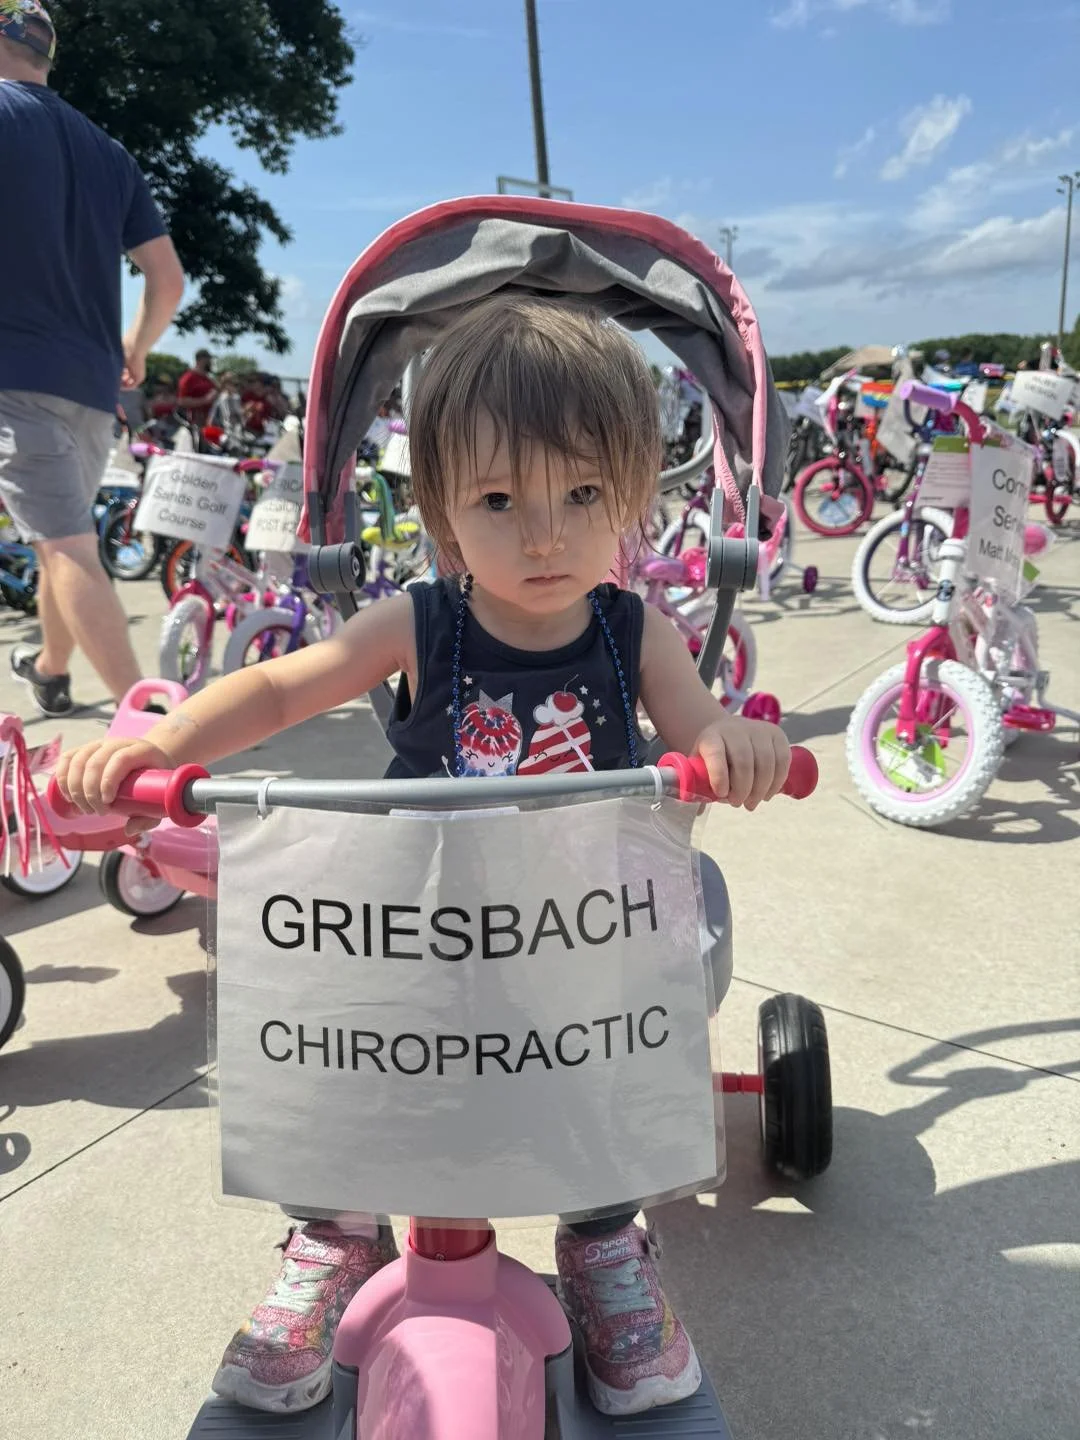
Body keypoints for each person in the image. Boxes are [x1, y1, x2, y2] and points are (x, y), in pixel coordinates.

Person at [56, 295, 792, 1419]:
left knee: (604, 1070)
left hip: (577, 933)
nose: (543, 535)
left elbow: (696, 726)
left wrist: (731, 743)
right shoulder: (420, 622)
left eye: (583, 494)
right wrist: (163, 742)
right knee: (333, 1047)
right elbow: (278, 685)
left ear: (636, 496)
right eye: (500, 500)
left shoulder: (631, 632)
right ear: (443, 510)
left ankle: (601, 1243)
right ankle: (336, 1232)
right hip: (421, 926)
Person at [0, 1, 185, 716]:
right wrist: (132, 350)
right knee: (61, 534)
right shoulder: (108, 151)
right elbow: (166, 279)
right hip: (89, 383)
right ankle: (50, 667)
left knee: (69, 546)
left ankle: (154, 728)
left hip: (14, 372)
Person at [177, 349, 218, 418]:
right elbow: (182, 401)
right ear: (201, 360)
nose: (211, 362)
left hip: (210, 419)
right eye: (209, 359)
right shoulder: (188, 378)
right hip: (195, 421)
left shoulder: (208, 379)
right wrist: (205, 400)